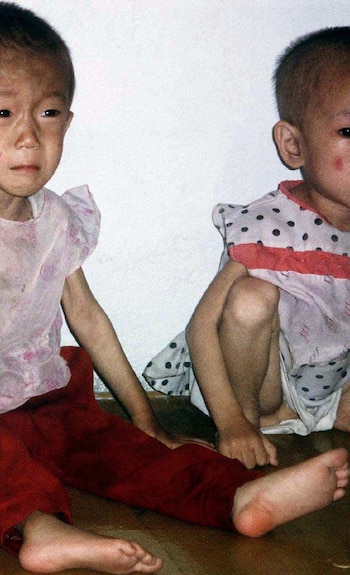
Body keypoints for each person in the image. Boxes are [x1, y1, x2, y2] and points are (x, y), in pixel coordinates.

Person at [0, 4, 349, 574]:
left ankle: (234, 497)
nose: (29, 136)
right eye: (3, 113)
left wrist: (144, 418)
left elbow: (88, 317)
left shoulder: (56, 219)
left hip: (28, 388)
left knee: (110, 445)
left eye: (49, 113)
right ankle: (38, 528)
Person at [144, 27, 350, 471]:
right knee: (251, 298)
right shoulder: (268, 227)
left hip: (330, 389)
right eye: (349, 130)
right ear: (293, 144)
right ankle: (255, 422)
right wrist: (232, 422)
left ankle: (312, 422)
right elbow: (202, 327)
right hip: (259, 387)